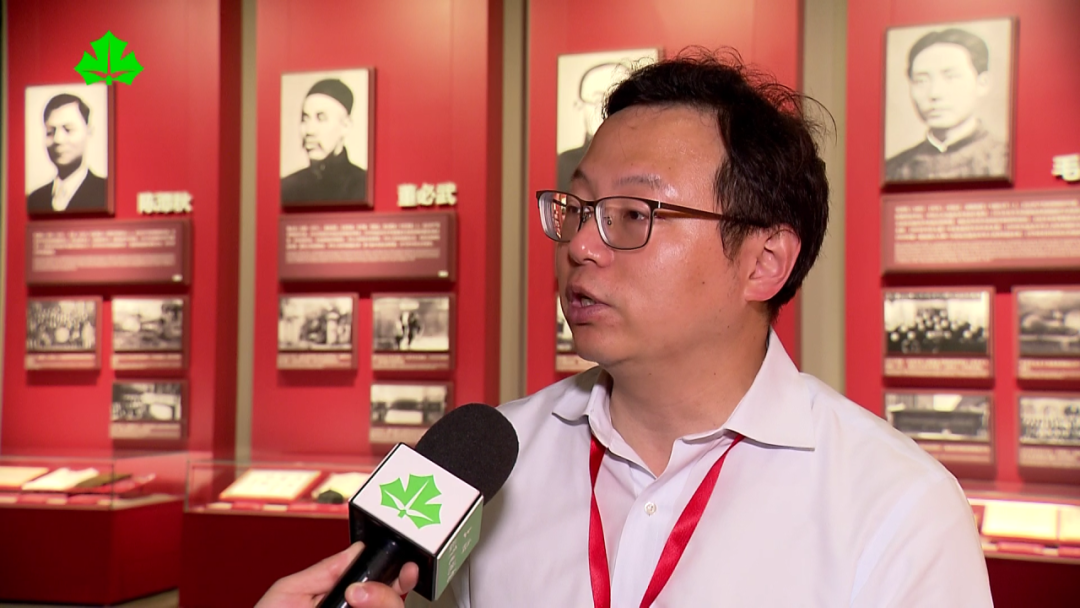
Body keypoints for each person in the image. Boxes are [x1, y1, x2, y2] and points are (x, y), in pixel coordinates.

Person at [261, 50, 992, 607]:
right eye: (577, 209)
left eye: (634, 215)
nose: (581, 244)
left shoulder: (897, 508)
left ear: (764, 262)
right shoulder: (487, 458)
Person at [885, 28, 1008, 182]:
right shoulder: (892, 169)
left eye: (951, 77)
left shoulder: (1006, 160)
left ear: (982, 83)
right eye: (921, 81)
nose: (934, 93)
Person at [281, 78, 368, 205]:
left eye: (321, 118)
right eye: (305, 119)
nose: (309, 131)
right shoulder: (287, 187)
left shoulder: (364, 184)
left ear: (346, 126)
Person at [27, 93, 108, 214]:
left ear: (89, 132)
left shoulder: (105, 191)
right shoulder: (35, 199)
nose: (58, 139)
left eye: (68, 129)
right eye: (50, 132)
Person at [556, 62, 630, 192]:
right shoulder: (565, 163)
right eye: (598, 99)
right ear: (579, 105)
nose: (607, 108)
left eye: (619, 99)